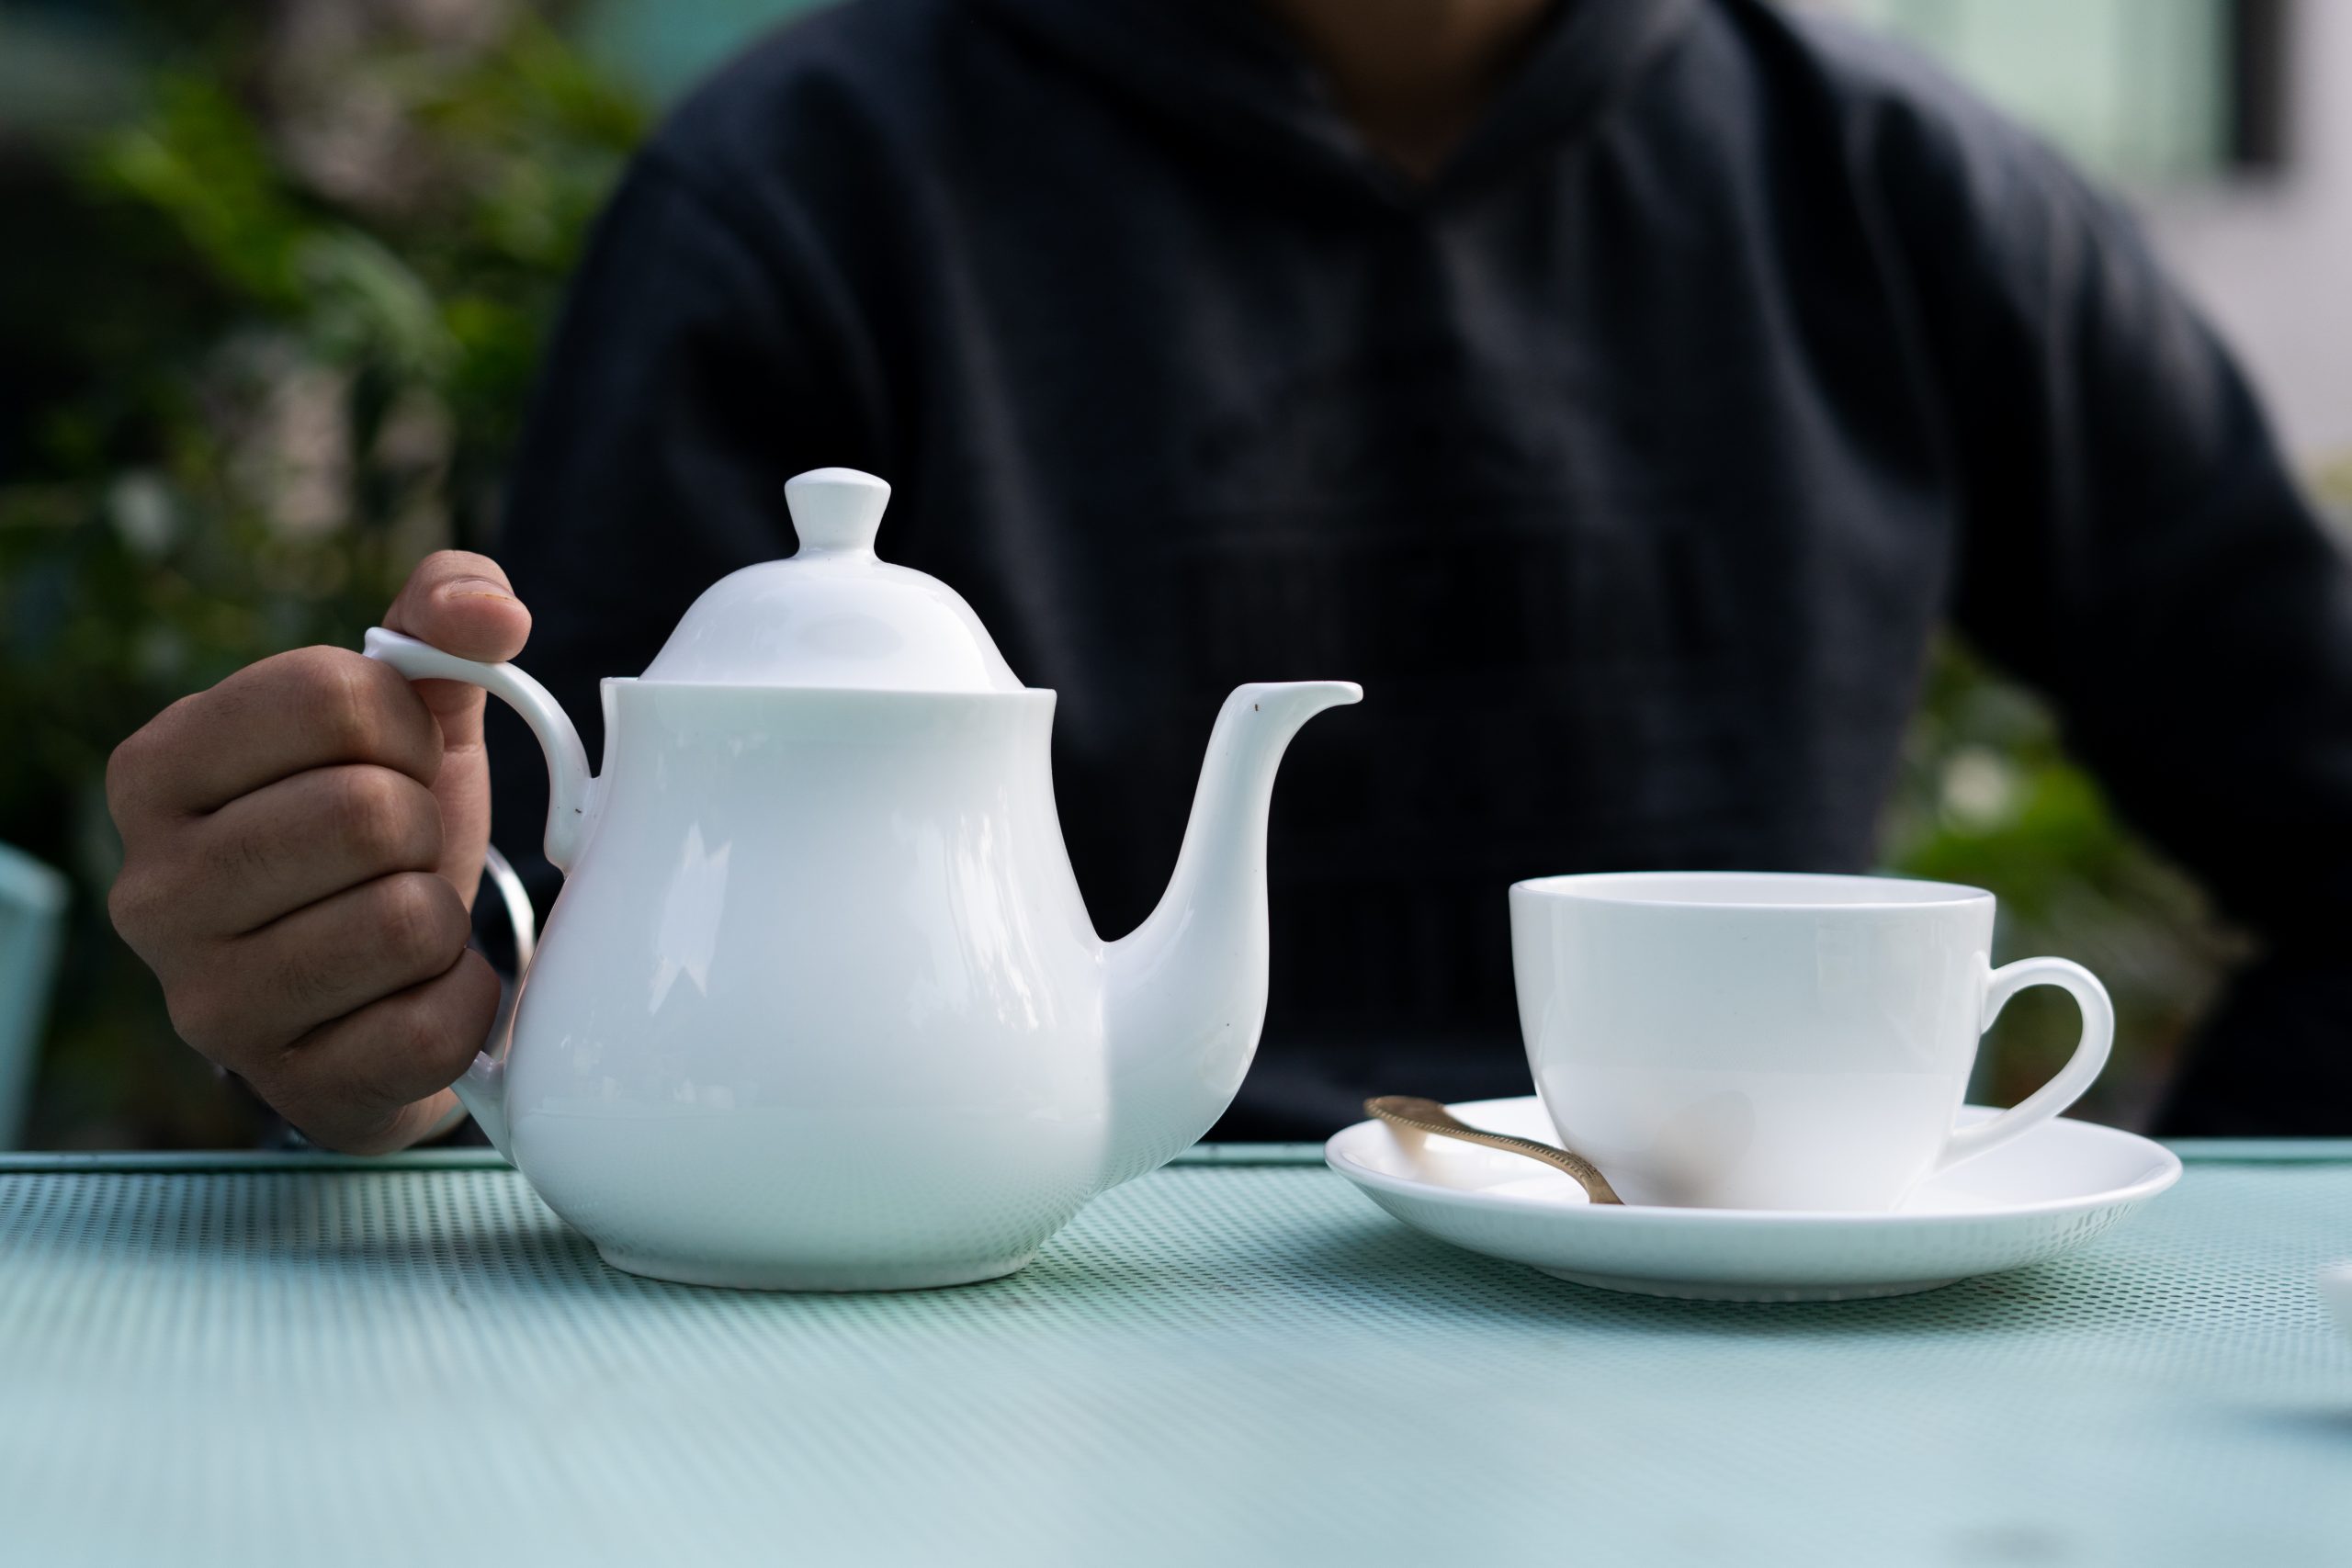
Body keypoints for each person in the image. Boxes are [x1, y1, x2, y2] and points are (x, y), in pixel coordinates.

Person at [105, 0, 2352, 1153]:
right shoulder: (804, 190)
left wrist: (2202, 1257)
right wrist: (370, 995)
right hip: (984, 1368)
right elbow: (546, 952)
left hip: (1727, 1341)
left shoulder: (1901, 190)